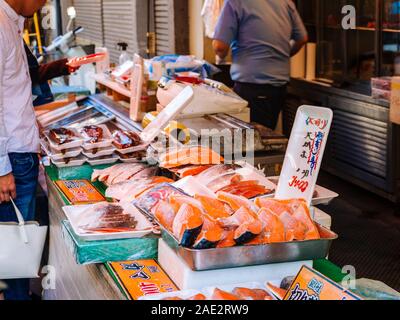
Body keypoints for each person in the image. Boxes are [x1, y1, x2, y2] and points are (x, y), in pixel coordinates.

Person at [0, 0, 47, 300]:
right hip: (13, 161)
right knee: (15, 252)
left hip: (19, 154)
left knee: (18, 248)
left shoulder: (11, 22)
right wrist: (2, 169)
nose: (44, 2)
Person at [212, 0, 308, 130]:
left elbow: (219, 46)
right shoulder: (286, 2)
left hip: (251, 86)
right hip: (278, 88)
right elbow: (302, 38)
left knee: (252, 142)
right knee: (267, 134)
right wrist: (281, 55)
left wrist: (222, 56)